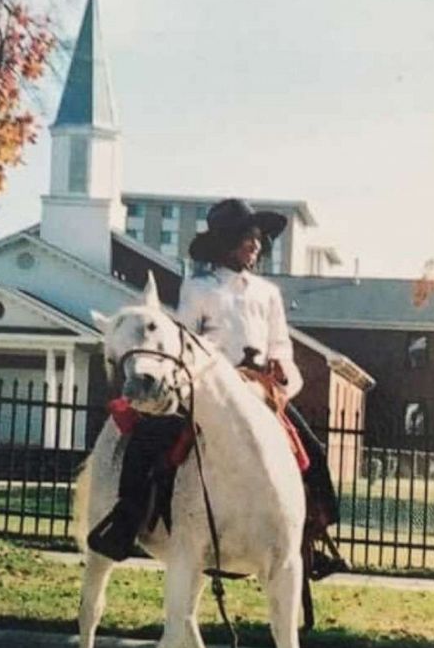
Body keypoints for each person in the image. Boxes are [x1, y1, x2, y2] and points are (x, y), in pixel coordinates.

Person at [88, 198, 345, 579]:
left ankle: (310, 533)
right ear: (227, 243)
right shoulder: (199, 288)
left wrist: (284, 378)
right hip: (209, 387)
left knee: (311, 451)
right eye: (247, 237)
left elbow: (282, 348)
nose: (255, 245)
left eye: (258, 238)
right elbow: (184, 342)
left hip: (260, 390)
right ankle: (127, 519)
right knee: (148, 439)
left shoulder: (267, 293)